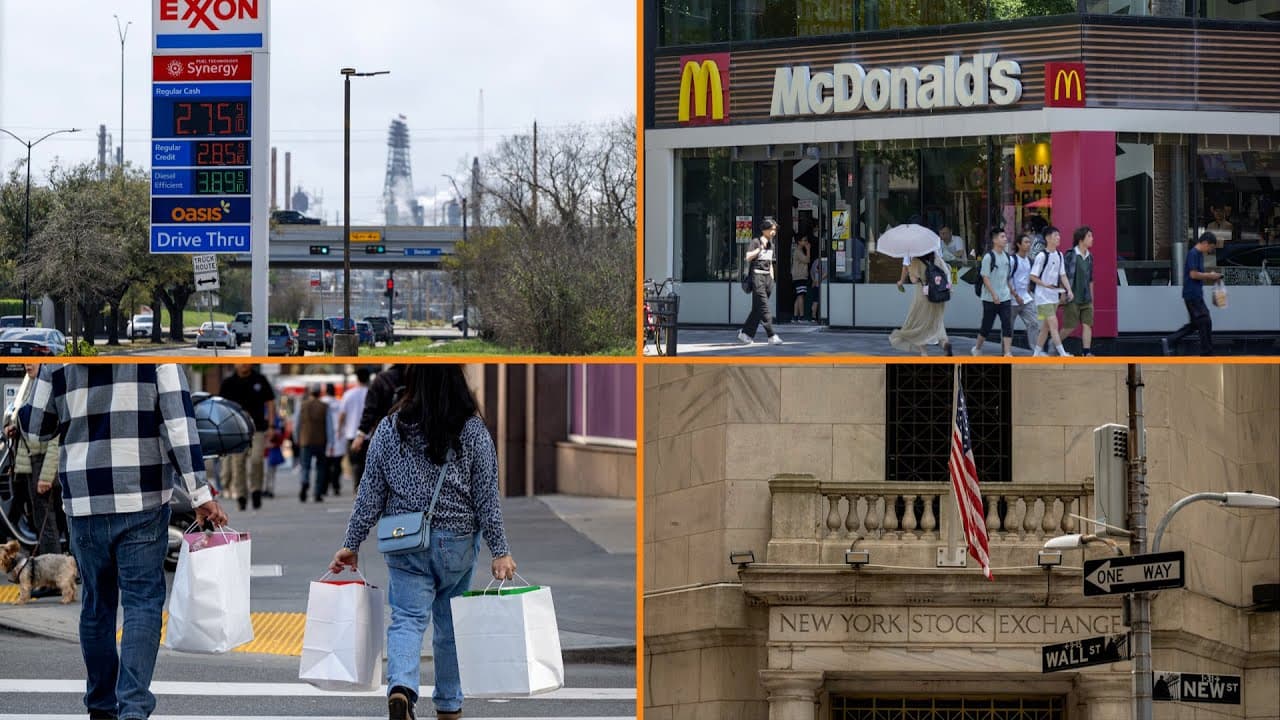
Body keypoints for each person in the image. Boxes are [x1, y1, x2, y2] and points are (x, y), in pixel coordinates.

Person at [17, 364, 227, 720]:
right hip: (142, 498)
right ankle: (132, 709)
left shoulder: (60, 357)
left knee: (97, 607)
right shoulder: (161, 361)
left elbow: (35, 429)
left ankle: (100, 708)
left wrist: (36, 377)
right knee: (142, 604)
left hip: (84, 502)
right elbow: (178, 425)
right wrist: (199, 493)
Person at [329, 364, 516, 720]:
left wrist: (351, 543)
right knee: (449, 624)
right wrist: (500, 550)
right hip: (457, 544)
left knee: (407, 620)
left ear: (413, 383)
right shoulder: (473, 431)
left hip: (404, 542)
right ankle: (448, 705)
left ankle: (401, 688)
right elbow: (486, 498)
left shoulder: (389, 429)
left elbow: (369, 494)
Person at [4, 364, 62, 556]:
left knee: (46, 521)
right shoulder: (32, 385)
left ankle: (54, 575)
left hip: (42, 463)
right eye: (25, 361)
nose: (27, 364)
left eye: (33, 360)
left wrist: (46, 476)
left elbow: (56, 438)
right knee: (39, 519)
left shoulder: (49, 387)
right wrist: (15, 429)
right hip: (30, 462)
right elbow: (25, 420)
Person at [216, 364, 276, 511]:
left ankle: (256, 490)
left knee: (256, 460)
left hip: (258, 428)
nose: (243, 364)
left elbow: (270, 402)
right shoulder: (228, 383)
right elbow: (221, 407)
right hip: (237, 430)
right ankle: (241, 496)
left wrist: (272, 425)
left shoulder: (260, 379)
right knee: (238, 463)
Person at [1162, 232, 1222, 356]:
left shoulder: (1199, 254)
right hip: (1192, 294)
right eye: (1211, 247)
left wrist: (1209, 276)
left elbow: (1197, 273)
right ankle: (1207, 353)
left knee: (1197, 323)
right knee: (1205, 320)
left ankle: (1170, 340)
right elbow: (1193, 274)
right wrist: (1210, 276)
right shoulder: (1193, 254)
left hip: (1195, 294)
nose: (1210, 250)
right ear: (1205, 243)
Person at [890, 251, 953, 356]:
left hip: (923, 296)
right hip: (938, 296)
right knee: (937, 323)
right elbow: (947, 271)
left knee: (918, 323)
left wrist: (909, 272)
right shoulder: (936, 257)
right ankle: (945, 344)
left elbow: (913, 280)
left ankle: (924, 353)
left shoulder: (915, 260)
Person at [1029, 225, 1073, 357]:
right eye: (1055, 236)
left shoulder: (1059, 255)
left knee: (1046, 327)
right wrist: (1045, 285)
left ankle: (1036, 354)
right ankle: (1062, 353)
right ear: (1048, 238)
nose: (1058, 238)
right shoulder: (1041, 256)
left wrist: (1069, 290)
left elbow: (1063, 275)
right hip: (1042, 296)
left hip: (1054, 295)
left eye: (1059, 236)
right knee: (1054, 324)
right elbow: (1032, 276)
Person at [738, 219, 783, 345]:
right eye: (772, 229)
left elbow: (770, 264)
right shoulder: (756, 242)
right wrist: (759, 249)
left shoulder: (772, 244)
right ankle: (771, 335)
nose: (774, 232)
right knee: (764, 307)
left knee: (757, 308)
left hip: (768, 278)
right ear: (765, 229)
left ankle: (746, 334)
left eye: (775, 229)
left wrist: (772, 279)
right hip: (757, 276)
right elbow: (747, 257)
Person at [972, 228, 1015, 356]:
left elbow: (1006, 277)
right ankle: (977, 348)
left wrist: (1012, 292)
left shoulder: (1007, 257)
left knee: (1007, 324)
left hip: (1005, 297)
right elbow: (985, 278)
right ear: (994, 240)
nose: (1005, 239)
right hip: (990, 298)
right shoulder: (988, 257)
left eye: (1005, 236)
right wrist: (994, 294)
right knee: (987, 326)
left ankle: (1007, 352)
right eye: (1002, 237)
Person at [351, 364, 407, 457]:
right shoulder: (419, 377)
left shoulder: (382, 379)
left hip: (385, 437)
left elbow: (370, 410)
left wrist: (361, 435)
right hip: (413, 439)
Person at [1061, 226, 1096, 356]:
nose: (1092, 239)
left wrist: (1092, 299)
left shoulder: (1090, 257)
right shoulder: (1070, 254)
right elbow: (1062, 274)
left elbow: (1091, 279)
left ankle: (1086, 352)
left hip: (1086, 298)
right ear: (1081, 239)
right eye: (1089, 236)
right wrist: (1063, 293)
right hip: (1073, 297)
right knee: (1069, 327)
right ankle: (1054, 344)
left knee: (1087, 324)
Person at [295, 385, 330, 503]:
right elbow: (329, 425)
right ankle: (317, 493)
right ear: (320, 394)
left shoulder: (303, 405)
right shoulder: (325, 406)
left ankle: (305, 482)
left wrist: (296, 438)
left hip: (306, 439)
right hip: (321, 441)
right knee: (320, 468)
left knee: (305, 465)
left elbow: (297, 424)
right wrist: (331, 442)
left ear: (310, 393)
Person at [339, 368, 371, 490]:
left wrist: (339, 429)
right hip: (368, 434)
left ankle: (357, 485)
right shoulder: (371, 393)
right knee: (366, 462)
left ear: (357, 379)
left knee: (355, 462)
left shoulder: (348, 394)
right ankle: (362, 485)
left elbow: (342, 415)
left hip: (351, 433)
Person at [1009, 233, 1040, 351]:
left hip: (1026, 299)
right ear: (1018, 244)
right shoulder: (1012, 260)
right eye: (1026, 242)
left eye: (1029, 242)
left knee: (1034, 323)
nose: (1028, 245)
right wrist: (1015, 295)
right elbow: (1007, 279)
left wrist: (1027, 291)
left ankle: (1036, 351)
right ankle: (1006, 351)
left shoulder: (1029, 261)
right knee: (1008, 328)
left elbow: (1028, 278)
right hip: (1013, 300)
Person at [790, 233, 810, 322]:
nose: (806, 242)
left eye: (806, 240)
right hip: (800, 276)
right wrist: (808, 249)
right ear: (799, 242)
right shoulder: (798, 251)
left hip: (797, 276)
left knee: (799, 296)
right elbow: (807, 260)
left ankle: (795, 316)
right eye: (804, 240)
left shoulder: (799, 251)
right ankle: (801, 316)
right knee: (801, 296)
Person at [806, 250, 826, 323]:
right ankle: (820, 317)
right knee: (820, 301)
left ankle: (813, 316)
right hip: (823, 285)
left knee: (815, 301)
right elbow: (826, 273)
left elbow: (811, 272)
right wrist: (819, 280)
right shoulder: (826, 261)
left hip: (815, 284)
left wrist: (814, 280)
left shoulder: (815, 261)